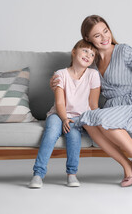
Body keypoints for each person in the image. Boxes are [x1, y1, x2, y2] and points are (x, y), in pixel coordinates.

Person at [51, 15, 132, 188]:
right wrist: (54, 82)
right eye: (97, 35)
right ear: (88, 39)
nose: (104, 37)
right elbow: (75, 80)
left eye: (105, 31)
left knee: (104, 119)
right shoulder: (90, 62)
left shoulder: (123, 51)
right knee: (88, 120)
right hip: (112, 108)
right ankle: (128, 166)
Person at [29, 39, 101, 188]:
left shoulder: (93, 74)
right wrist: (64, 118)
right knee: (51, 133)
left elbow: (93, 104)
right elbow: (60, 103)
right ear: (74, 51)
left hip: (79, 117)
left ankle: (72, 174)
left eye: (92, 54)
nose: (88, 55)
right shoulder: (60, 74)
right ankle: (38, 174)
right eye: (85, 50)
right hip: (58, 114)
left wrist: (97, 120)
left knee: (73, 135)